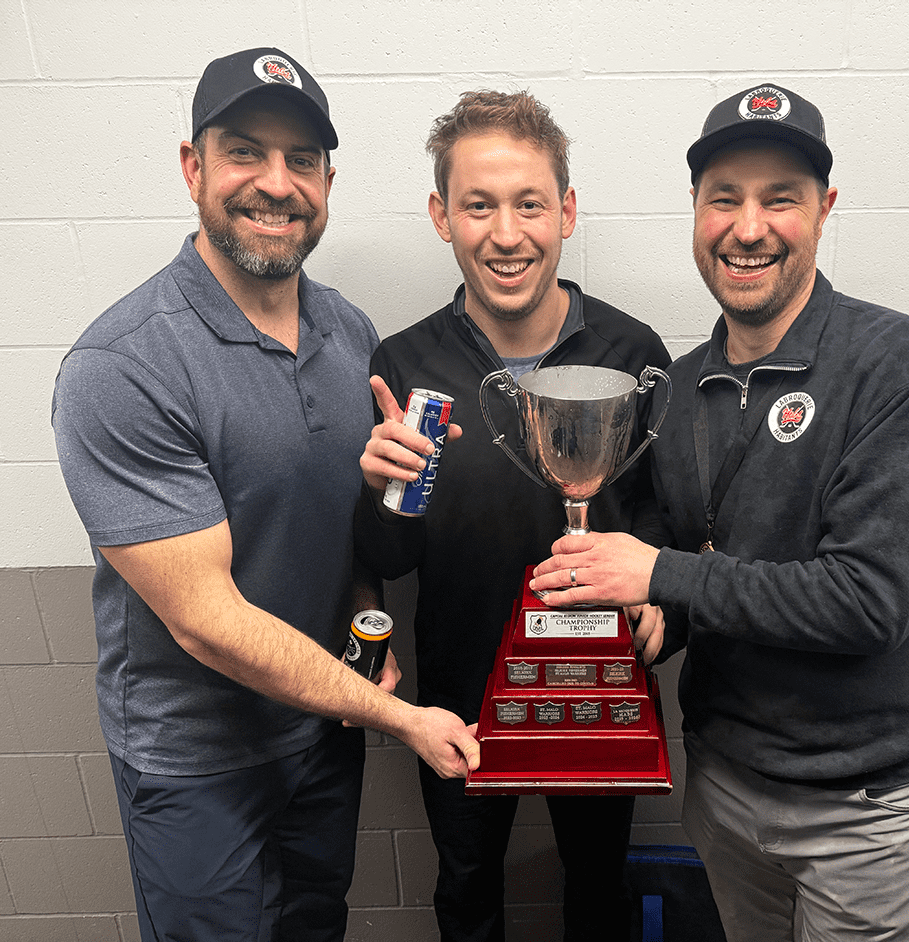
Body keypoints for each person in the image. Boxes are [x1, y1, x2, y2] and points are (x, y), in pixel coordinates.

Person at [530, 83, 909, 941]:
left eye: (779, 199)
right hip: (725, 786)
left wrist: (660, 574)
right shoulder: (681, 387)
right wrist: (656, 619)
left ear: (823, 210)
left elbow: (870, 601)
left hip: (860, 809)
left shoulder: (902, 367)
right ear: (695, 210)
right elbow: (699, 555)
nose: (747, 228)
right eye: (723, 199)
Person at [52, 47, 479, 942]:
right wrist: (395, 716)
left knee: (315, 928)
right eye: (245, 152)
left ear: (327, 183)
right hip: (196, 763)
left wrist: (364, 613)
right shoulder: (123, 365)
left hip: (320, 734)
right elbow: (205, 620)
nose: (276, 184)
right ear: (193, 167)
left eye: (302, 161)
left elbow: (337, 524)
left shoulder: (348, 331)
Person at [354, 90, 671, 942]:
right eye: (477, 205)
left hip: (598, 684)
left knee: (598, 887)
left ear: (565, 211)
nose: (505, 234)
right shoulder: (403, 362)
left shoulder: (631, 351)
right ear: (441, 217)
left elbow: (662, 520)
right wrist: (382, 489)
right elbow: (389, 554)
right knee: (465, 890)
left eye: (529, 204)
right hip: (459, 693)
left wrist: (662, 608)